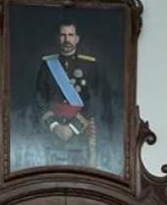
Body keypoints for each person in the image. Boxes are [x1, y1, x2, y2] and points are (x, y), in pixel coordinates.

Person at [33, 19, 111, 168]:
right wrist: (54, 126)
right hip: (52, 131)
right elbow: (39, 98)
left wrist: (73, 128)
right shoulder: (48, 65)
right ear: (58, 38)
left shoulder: (90, 65)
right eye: (63, 35)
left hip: (80, 131)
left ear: (77, 38)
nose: (67, 39)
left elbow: (95, 99)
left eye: (70, 35)